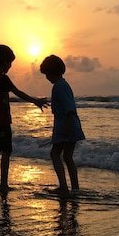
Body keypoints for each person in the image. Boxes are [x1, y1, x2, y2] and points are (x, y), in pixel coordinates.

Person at [0, 44, 48, 192]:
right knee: (6, 152)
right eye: (10, 63)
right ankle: (4, 184)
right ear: (4, 62)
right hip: (2, 120)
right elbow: (17, 92)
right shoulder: (3, 78)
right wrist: (35, 101)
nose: (10, 66)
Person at [40, 54, 85, 196]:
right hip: (70, 126)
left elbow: (69, 108)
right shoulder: (63, 84)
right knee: (67, 157)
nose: (47, 78)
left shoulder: (59, 87)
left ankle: (64, 186)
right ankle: (75, 188)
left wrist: (66, 127)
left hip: (66, 126)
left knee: (55, 154)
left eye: (47, 74)